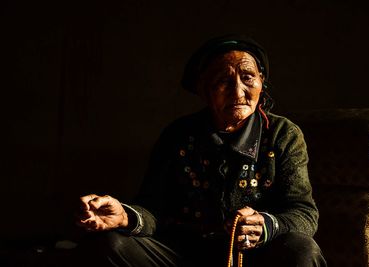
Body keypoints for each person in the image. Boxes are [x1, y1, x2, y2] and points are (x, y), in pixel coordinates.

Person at [73, 34, 327, 267]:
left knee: (303, 250)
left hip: (252, 257)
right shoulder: (178, 134)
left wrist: (267, 226)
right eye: (223, 81)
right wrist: (125, 216)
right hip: (183, 254)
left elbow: (304, 212)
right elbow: (153, 209)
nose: (238, 91)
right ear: (204, 89)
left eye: (248, 77)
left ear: (261, 82)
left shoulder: (283, 134)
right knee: (110, 244)